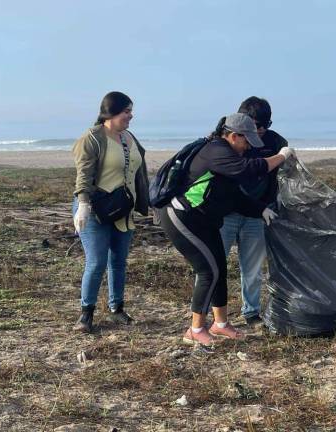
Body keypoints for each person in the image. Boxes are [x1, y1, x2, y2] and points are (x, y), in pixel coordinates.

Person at [156, 113, 295, 347]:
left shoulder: (227, 156)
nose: (249, 146)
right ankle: (195, 329)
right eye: (246, 141)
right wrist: (280, 157)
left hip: (204, 220)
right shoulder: (216, 151)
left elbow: (235, 195)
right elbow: (250, 169)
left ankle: (220, 324)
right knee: (208, 271)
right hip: (181, 217)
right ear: (233, 136)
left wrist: (260, 210)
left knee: (219, 266)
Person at [71, 91, 150, 333]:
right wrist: (83, 204)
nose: (130, 115)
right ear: (112, 112)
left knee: (118, 261)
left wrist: (149, 202)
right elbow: (84, 174)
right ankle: (86, 314)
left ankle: (117, 309)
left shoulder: (129, 137)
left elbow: (139, 172)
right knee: (96, 262)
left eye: (130, 111)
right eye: (126, 111)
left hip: (122, 210)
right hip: (95, 209)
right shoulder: (92, 138)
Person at [220, 97, 288, 327]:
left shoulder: (277, 142)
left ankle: (251, 311)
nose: (258, 132)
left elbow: (284, 176)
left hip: (258, 214)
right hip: (227, 212)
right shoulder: (226, 142)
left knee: (253, 267)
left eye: (263, 126)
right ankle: (210, 313)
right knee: (214, 264)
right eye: (254, 125)